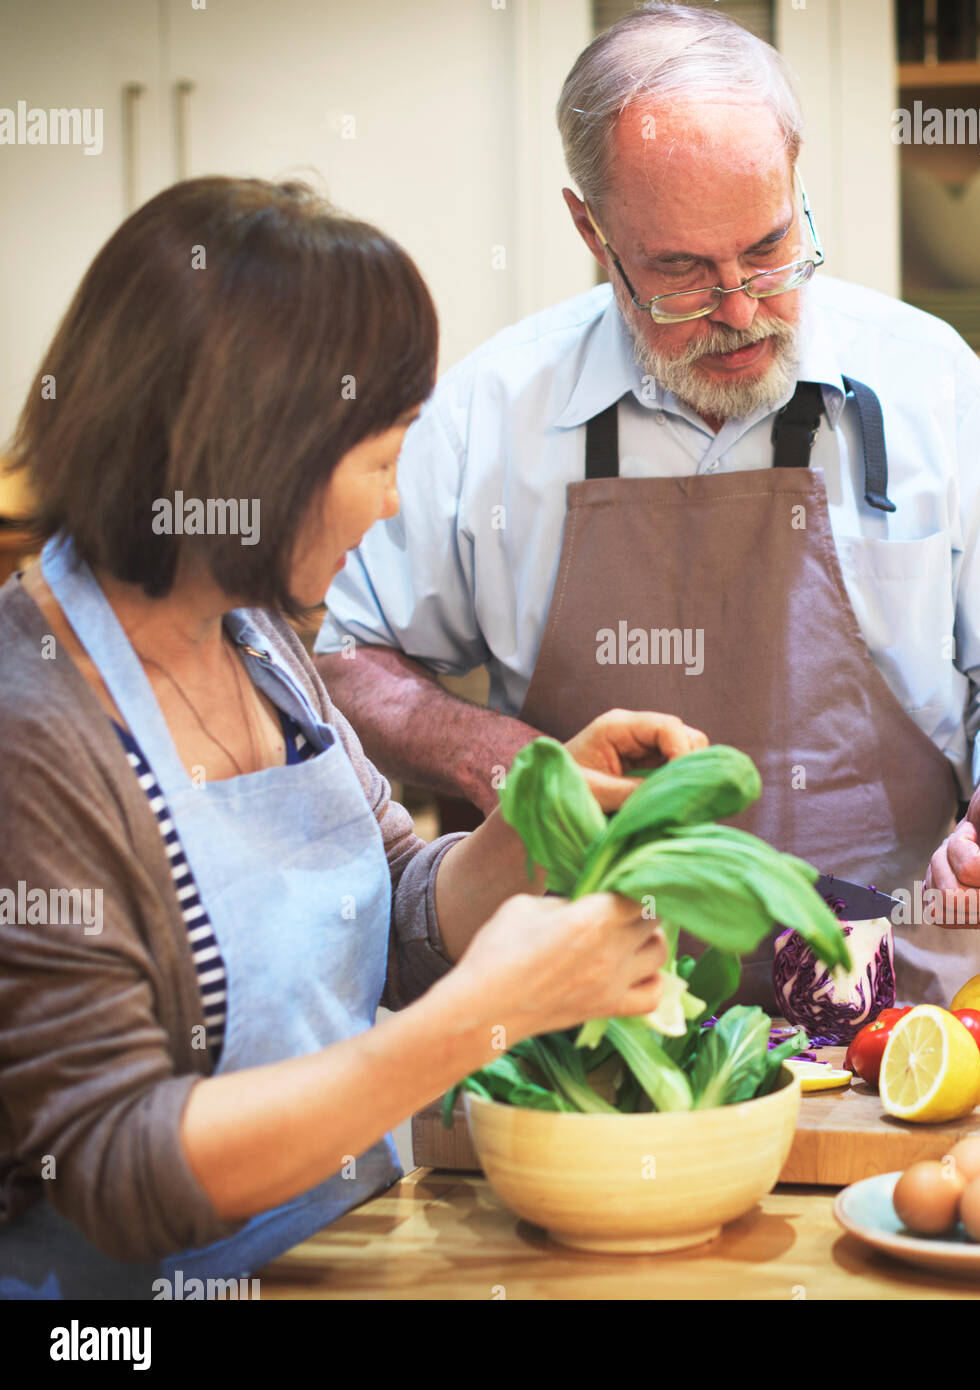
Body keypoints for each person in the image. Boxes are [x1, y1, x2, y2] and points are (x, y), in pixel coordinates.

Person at [315, 2, 980, 1010]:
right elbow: (346, 656)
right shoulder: (495, 410)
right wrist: (502, 762)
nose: (742, 310)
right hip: (594, 1023)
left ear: (794, 175)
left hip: (899, 1032)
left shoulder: (927, 381)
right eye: (682, 273)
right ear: (590, 229)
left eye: (769, 248)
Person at [0, 176, 701, 1298]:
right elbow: (118, 1166)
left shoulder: (255, 639)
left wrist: (532, 821)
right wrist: (488, 1016)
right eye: (381, 457)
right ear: (252, 455)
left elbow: (385, 912)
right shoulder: (32, 729)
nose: (390, 504)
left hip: (342, 1257)